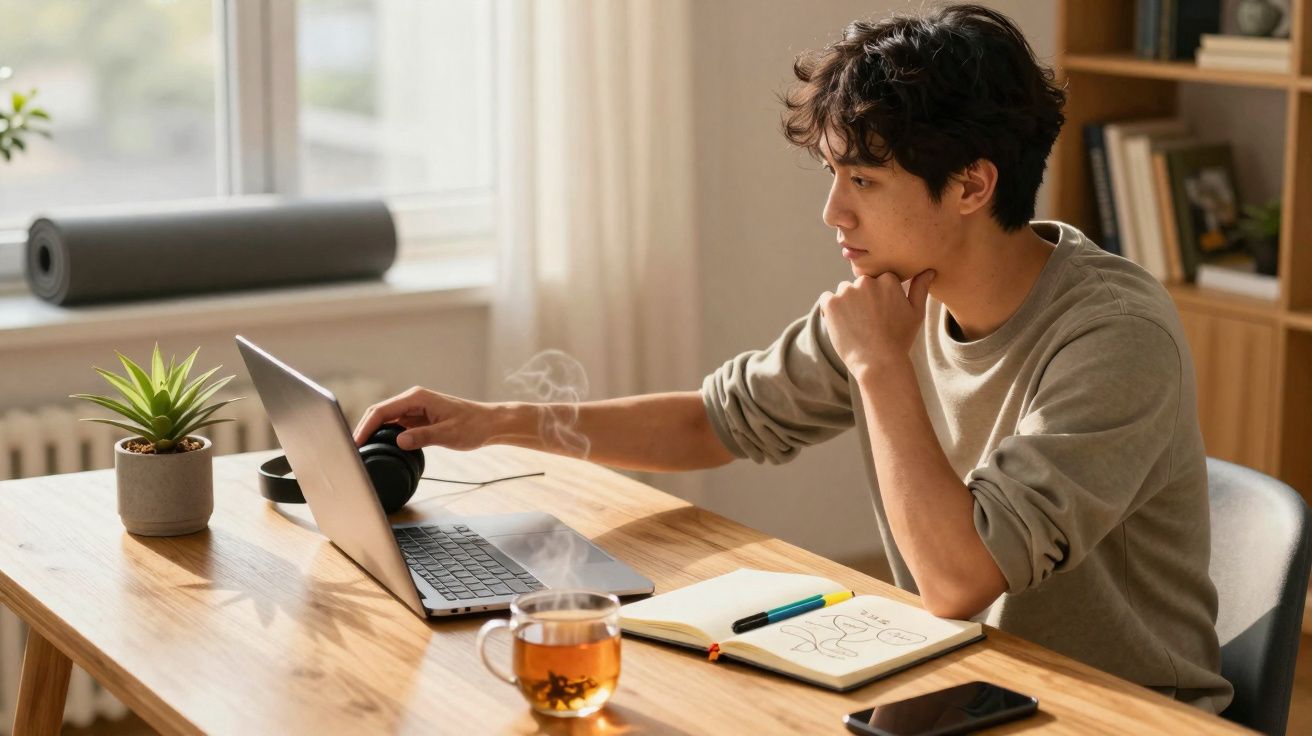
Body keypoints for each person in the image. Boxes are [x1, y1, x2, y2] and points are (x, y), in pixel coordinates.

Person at [353, 4, 1232, 713]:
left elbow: (961, 577)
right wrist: (490, 421)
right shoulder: (896, 294)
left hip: (1119, 709)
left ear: (971, 185)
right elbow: (713, 419)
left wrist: (882, 367)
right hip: (966, 684)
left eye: (863, 181)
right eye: (832, 175)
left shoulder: (1114, 336)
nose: (833, 215)